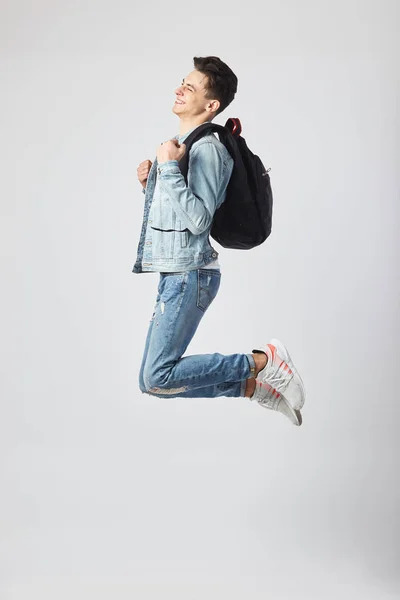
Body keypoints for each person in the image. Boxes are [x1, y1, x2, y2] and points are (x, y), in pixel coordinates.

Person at [133, 56, 305, 426]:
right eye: (182, 82)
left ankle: (264, 363)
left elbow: (198, 220)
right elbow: (181, 213)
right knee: (153, 381)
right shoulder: (183, 143)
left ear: (211, 105)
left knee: (157, 377)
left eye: (190, 87)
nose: (180, 89)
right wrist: (153, 187)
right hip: (176, 273)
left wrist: (166, 167)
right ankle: (252, 387)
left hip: (190, 274)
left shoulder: (208, 147)